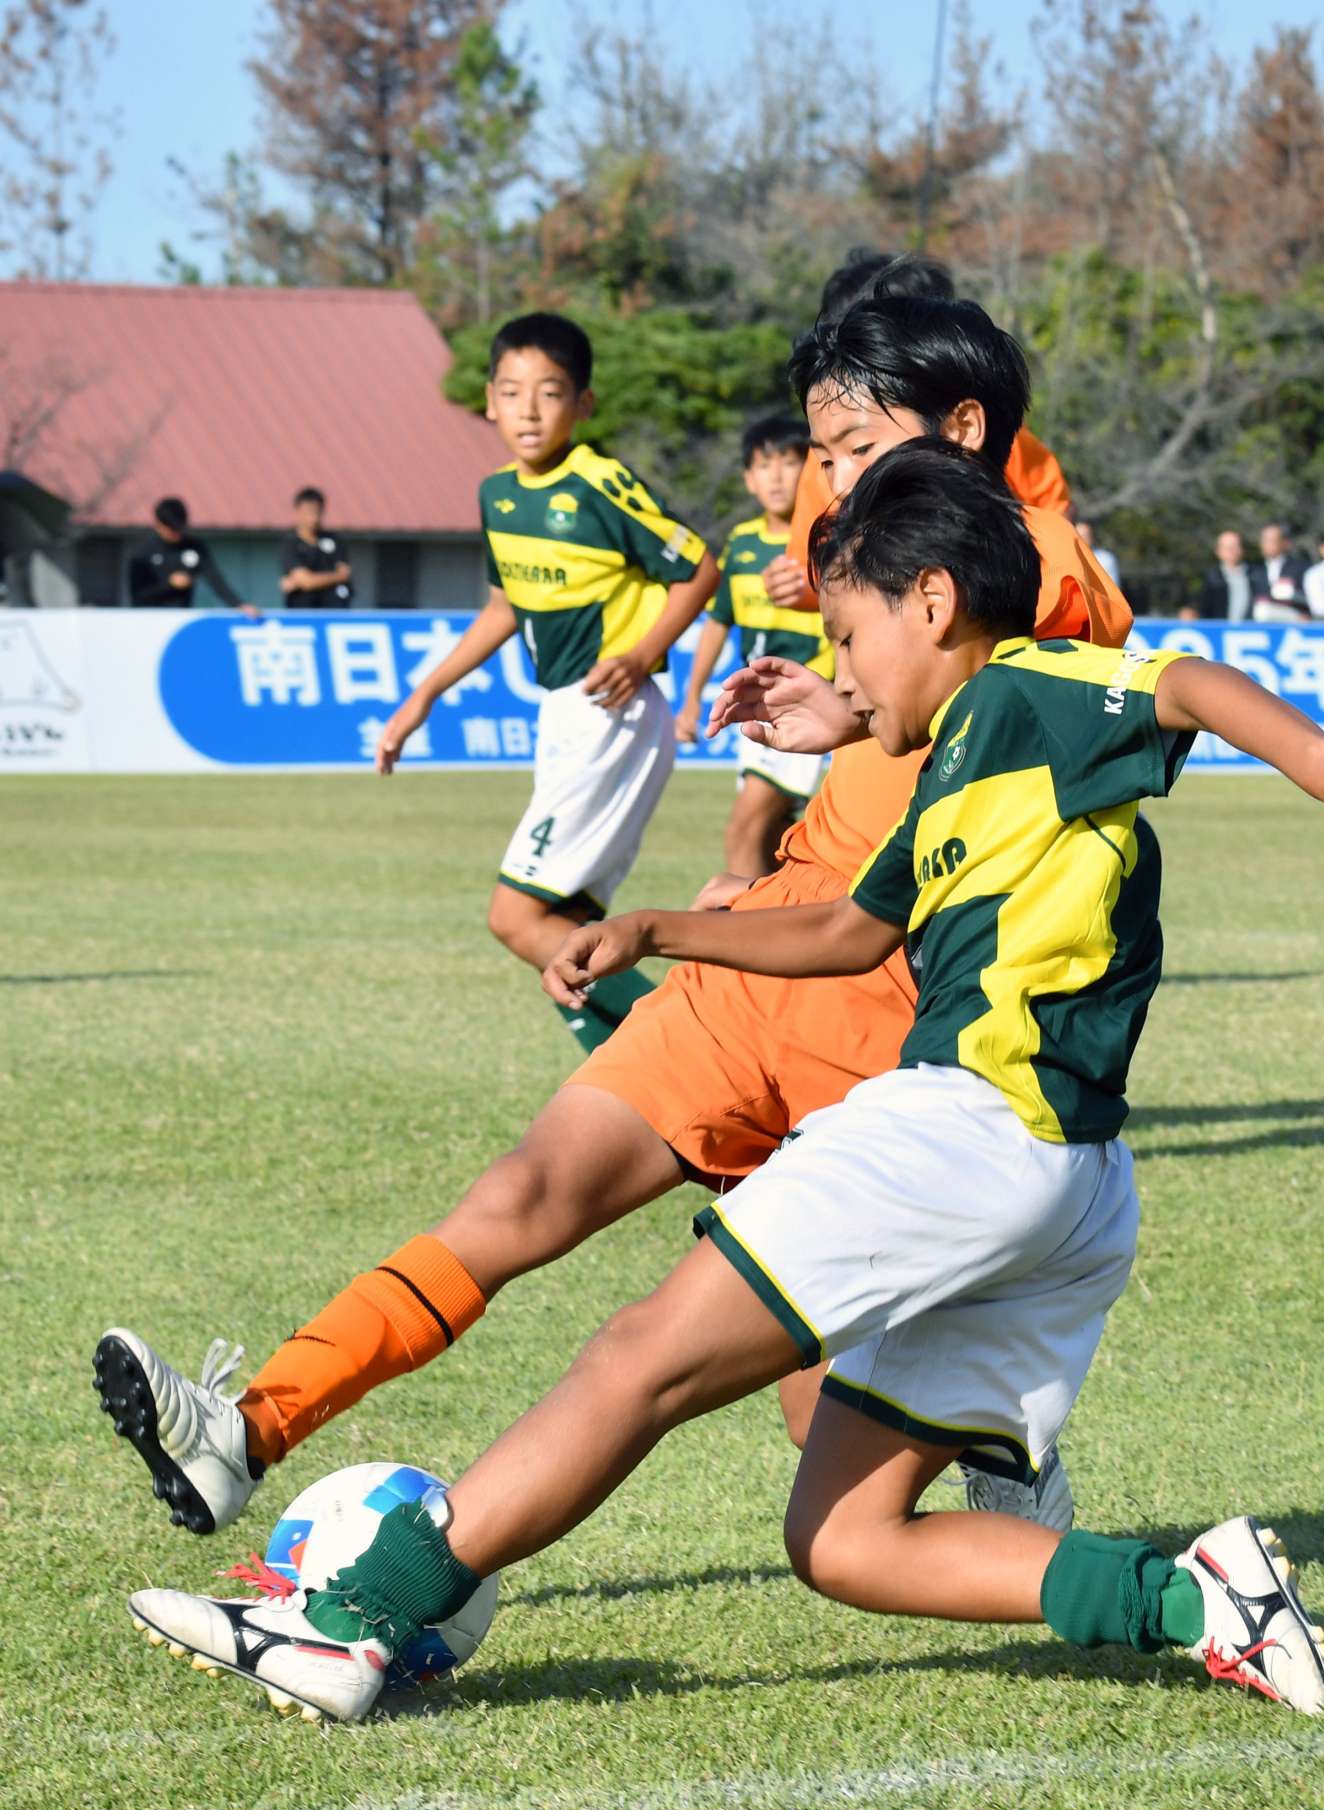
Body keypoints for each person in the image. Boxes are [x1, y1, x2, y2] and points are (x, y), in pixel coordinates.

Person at [124, 441, 1324, 1726]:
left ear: (931, 602)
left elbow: (1186, 683)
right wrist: (656, 929)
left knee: (638, 1359)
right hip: (1072, 1187)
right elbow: (846, 932)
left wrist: (1320, 763)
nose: (845, 667)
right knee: (842, 1539)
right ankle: (1201, 1600)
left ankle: (350, 1620)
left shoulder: (1031, 689)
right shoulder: (958, 763)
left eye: (851, 634)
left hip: (967, 1128)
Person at [90, 294, 1130, 1547]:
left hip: (877, 1024)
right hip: (750, 970)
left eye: (855, 446)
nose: (832, 478)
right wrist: (828, 722)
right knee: (518, 1194)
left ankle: (999, 1457)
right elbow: (902, 709)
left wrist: (852, 747)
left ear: (961, 428)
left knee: (818, 1424)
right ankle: (245, 1431)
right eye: (820, 452)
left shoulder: (1050, 573)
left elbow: (1018, 748)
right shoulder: (867, 536)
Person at [370, 311, 717, 1054]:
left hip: (609, 714)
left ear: (583, 404)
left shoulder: (598, 483)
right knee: (562, 928)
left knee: (515, 918)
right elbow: (504, 607)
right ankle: (636, 1078)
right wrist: (423, 696)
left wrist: (642, 654)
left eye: (550, 392)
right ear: (489, 402)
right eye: (511, 392)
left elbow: (698, 568)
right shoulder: (497, 495)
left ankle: (693, 1052)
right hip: (565, 718)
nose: (528, 410)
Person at [760, 254, 1073, 635]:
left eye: (861, 449)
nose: (840, 486)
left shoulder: (1046, 552)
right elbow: (823, 577)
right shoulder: (833, 461)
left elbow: (1055, 522)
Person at [676, 414, 834, 876]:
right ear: (748, 478)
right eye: (764, 466)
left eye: (789, 463)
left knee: (744, 829)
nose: (777, 477)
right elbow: (717, 623)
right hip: (757, 707)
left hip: (806, 704)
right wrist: (691, 699)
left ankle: (738, 919)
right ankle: (780, 914)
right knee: (771, 838)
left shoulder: (828, 540)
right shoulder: (741, 544)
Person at [127, 497, 256, 615]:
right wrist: (169, 584)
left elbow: (215, 580)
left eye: (179, 528)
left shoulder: (194, 548)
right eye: (171, 529)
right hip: (150, 618)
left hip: (183, 617)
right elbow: (138, 595)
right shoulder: (142, 553)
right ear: (159, 524)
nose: (176, 533)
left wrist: (238, 604)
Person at [279, 488, 353, 609]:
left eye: (318, 512)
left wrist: (301, 581)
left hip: (334, 610)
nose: (314, 518)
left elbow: (345, 574)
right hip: (303, 613)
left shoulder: (335, 540)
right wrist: (336, 576)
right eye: (309, 512)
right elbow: (306, 581)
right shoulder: (290, 543)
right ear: (297, 511)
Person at [1195, 530, 1258, 622]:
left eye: (1235, 546)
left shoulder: (1256, 575)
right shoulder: (1210, 577)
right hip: (1218, 629)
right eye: (1227, 547)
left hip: (1249, 629)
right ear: (1218, 551)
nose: (1231, 551)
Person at [1252, 522, 1308, 621]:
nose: (1267, 544)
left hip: (1294, 623)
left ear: (1285, 543)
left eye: (1272, 540)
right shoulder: (1254, 570)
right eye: (1264, 540)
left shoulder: (1300, 568)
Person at [1074, 518, 1121, 588]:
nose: (1082, 539)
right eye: (1079, 536)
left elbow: (1114, 588)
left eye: (1086, 536)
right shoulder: (1068, 557)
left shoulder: (1106, 559)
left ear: (1093, 536)